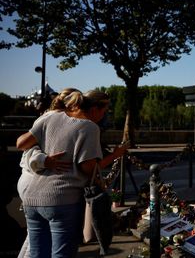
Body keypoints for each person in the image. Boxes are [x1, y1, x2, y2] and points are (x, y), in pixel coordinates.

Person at [16, 90, 122, 257]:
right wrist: (115, 155)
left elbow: (21, 143)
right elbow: (88, 168)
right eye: (105, 111)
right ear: (95, 108)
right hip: (62, 199)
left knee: (37, 253)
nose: (104, 115)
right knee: (62, 254)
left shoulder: (51, 116)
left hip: (31, 197)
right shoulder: (90, 127)